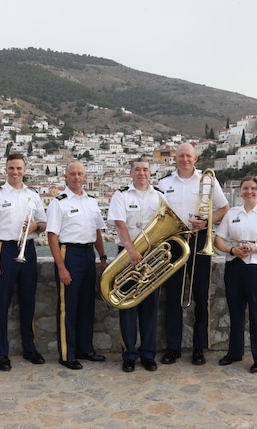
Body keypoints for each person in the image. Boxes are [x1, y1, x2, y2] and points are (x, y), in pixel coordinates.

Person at [157, 142, 229, 365]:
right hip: (174, 242)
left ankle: (199, 348)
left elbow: (223, 209)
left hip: (200, 241)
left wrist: (206, 222)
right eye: (181, 156)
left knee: (201, 296)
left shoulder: (207, 180)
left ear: (195, 159)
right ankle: (173, 348)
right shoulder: (164, 183)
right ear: (175, 158)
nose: (185, 159)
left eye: (189, 156)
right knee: (173, 298)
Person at [0, 153, 47, 371]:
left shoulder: (33, 195)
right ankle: (2, 353)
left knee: (29, 301)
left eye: (19, 168)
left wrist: (35, 228)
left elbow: (43, 222)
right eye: (11, 168)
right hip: (6, 250)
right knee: (2, 303)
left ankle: (30, 348)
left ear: (25, 170)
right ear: (6, 170)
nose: (15, 172)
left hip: (28, 248)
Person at [214, 175, 257, 373]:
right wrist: (231, 250)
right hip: (234, 266)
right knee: (235, 311)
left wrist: (254, 250)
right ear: (240, 190)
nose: (249, 192)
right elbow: (218, 240)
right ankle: (234, 352)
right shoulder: (232, 213)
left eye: (253, 188)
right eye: (245, 188)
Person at [46, 160, 108, 370]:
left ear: (85, 177)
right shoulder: (58, 202)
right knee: (68, 306)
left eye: (79, 173)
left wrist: (102, 257)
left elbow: (98, 231)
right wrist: (62, 267)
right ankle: (67, 353)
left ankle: (85, 349)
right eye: (72, 173)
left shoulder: (91, 202)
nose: (76, 177)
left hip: (88, 254)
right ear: (65, 176)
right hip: (69, 253)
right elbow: (52, 237)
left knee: (86, 305)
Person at [107, 157, 164, 373]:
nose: (142, 173)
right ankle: (129, 354)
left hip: (153, 256)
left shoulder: (159, 197)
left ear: (151, 173)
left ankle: (148, 354)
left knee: (150, 308)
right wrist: (131, 250)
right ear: (131, 173)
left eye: (146, 170)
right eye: (138, 169)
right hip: (128, 256)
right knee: (127, 306)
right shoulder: (121, 195)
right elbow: (120, 225)